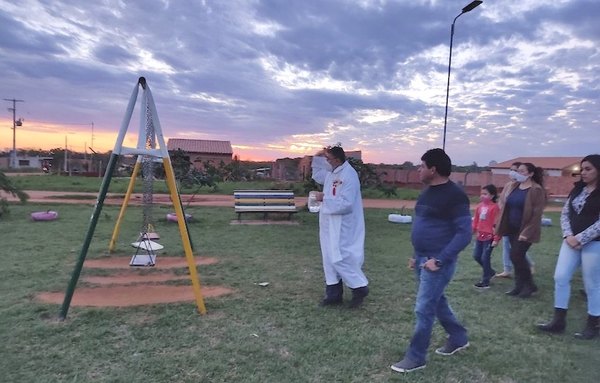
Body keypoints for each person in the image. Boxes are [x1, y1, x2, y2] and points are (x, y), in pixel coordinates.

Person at [391, 149, 472, 373]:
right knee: (436, 302)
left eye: (421, 166)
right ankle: (458, 337)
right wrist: (416, 255)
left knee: (424, 308)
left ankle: (416, 357)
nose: (419, 170)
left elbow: (464, 233)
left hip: (437, 262)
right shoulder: (427, 192)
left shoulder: (455, 195)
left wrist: (440, 260)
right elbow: (424, 225)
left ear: (433, 169)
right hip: (422, 258)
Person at [537, 154, 600, 339]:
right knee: (561, 277)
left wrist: (581, 238)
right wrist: (568, 235)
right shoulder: (578, 189)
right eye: (582, 169)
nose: (583, 172)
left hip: (594, 243)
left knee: (592, 284)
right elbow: (565, 213)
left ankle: (593, 324)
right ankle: (558, 321)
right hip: (570, 241)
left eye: (588, 169)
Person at [311, 145, 369, 308]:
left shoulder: (349, 175)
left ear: (337, 160)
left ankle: (359, 287)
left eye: (328, 159)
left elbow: (347, 203)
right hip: (329, 223)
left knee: (340, 257)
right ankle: (333, 294)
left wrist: (325, 198)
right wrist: (318, 155)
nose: (326, 162)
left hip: (343, 225)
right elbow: (317, 174)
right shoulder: (332, 172)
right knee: (329, 258)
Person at [493, 162, 546, 298]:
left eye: (522, 171)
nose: (518, 173)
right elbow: (505, 204)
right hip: (511, 227)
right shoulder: (514, 186)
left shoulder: (536, 190)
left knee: (516, 255)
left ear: (530, 174)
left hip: (526, 229)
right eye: (518, 171)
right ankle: (520, 286)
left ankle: (528, 286)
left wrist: (526, 232)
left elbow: (536, 214)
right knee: (517, 257)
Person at [495, 162, 535, 278]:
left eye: (516, 170)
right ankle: (507, 269)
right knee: (507, 245)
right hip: (507, 220)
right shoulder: (509, 185)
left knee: (515, 248)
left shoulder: (527, 188)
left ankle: (526, 266)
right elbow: (502, 199)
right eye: (511, 170)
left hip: (519, 223)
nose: (512, 173)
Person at [472, 184, 500, 289]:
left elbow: (497, 224)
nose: (482, 196)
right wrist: (473, 229)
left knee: (485, 257)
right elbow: (476, 220)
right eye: (481, 194)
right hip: (480, 236)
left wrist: (496, 238)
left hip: (489, 237)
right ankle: (490, 272)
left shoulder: (495, 208)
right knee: (476, 256)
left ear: (492, 196)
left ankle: (485, 281)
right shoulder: (480, 206)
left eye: (485, 194)